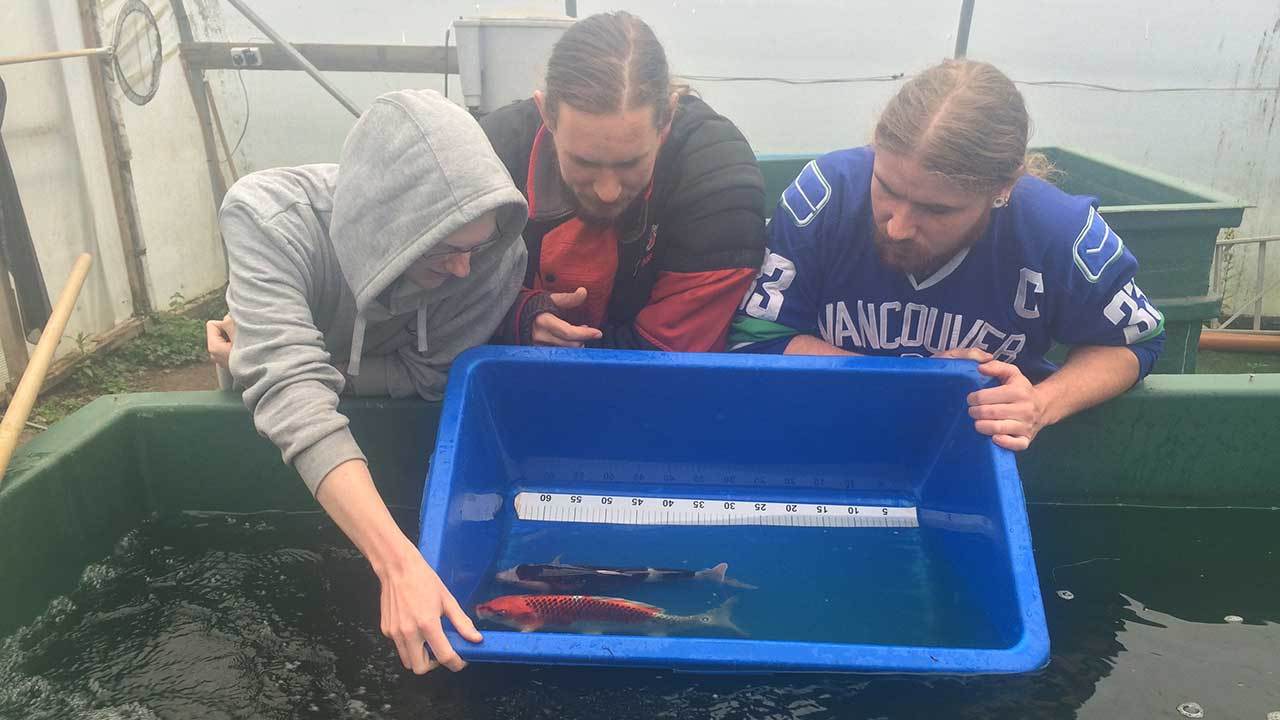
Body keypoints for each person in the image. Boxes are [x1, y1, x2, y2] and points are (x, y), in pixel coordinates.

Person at [207, 89, 527, 675]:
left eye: (475, 248)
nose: (465, 268)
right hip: (293, 431)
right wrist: (398, 564)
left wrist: (299, 364)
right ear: (391, 230)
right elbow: (289, 397)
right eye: (447, 250)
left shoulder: (493, 256)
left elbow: (431, 377)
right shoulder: (269, 220)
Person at [730, 59, 1165, 450]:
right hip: (826, 436)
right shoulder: (824, 199)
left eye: (936, 209)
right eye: (886, 188)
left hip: (973, 454)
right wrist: (912, 382)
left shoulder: (1055, 232)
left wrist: (1040, 402)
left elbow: (1135, 341)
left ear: (1003, 187)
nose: (897, 226)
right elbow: (758, 336)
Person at [480, 11, 767, 351]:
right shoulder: (490, 157)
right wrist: (517, 314)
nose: (607, 191)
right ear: (546, 115)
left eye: (630, 163)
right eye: (584, 162)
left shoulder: (720, 184)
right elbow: (443, 297)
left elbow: (667, 356)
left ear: (667, 119)